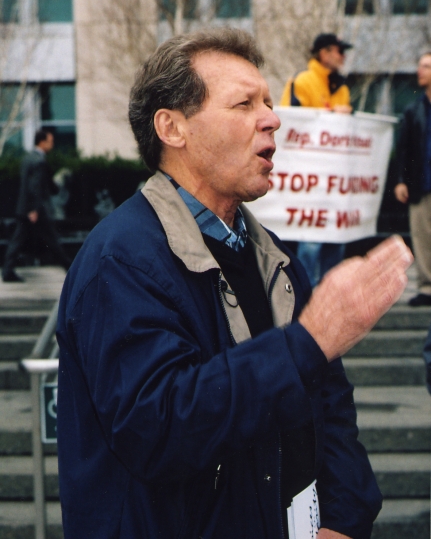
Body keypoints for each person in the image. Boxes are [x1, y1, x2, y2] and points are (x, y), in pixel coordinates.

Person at [56, 28, 412, 539]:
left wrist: (343, 519)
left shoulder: (275, 257)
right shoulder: (121, 262)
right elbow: (160, 429)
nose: (272, 118)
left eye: (266, 102)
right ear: (172, 128)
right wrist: (307, 343)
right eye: (244, 104)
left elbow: (331, 408)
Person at [280, 33, 353, 287]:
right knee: (311, 240)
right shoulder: (301, 81)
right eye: (339, 51)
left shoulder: (341, 87)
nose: (343, 57)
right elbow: (291, 124)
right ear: (324, 53)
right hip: (309, 179)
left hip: (333, 178)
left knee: (335, 239)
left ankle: (331, 298)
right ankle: (306, 298)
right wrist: (331, 113)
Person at [2, 129, 71, 282]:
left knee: (18, 240)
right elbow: (35, 186)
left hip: (25, 208)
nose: (52, 145)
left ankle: (7, 271)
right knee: (52, 239)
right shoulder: (39, 161)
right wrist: (33, 209)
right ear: (42, 142)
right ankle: (70, 268)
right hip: (37, 210)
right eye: (50, 141)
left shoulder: (27, 158)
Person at [394, 52, 431, 306]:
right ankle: (427, 288)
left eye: (426, 66)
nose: (420, 70)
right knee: (422, 236)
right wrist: (400, 180)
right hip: (421, 183)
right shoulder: (413, 109)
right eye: (420, 65)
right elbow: (403, 149)